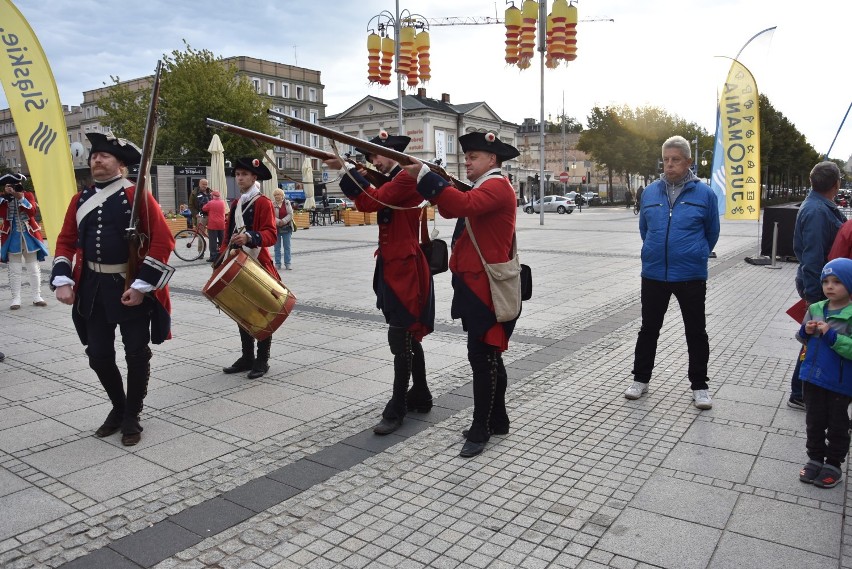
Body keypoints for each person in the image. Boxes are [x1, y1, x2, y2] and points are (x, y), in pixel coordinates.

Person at [50, 133, 174, 446]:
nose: (97, 160)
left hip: (129, 285)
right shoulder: (80, 200)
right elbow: (65, 241)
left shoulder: (137, 195)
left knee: (136, 353)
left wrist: (143, 285)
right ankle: (119, 407)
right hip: (92, 287)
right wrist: (63, 279)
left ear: (120, 164)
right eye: (94, 155)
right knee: (99, 355)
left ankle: (132, 414)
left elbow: (162, 240)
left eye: (104, 156)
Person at [402, 131, 519, 458]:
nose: (466, 160)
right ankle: (499, 417)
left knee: (483, 359)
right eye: (466, 156)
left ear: (492, 160)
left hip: (487, 289)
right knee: (488, 355)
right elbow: (459, 201)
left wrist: (426, 176)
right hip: (475, 286)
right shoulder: (485, 185)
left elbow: (457, 207)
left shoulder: (496, 186)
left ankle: (481, 426)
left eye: (473, 157)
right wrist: (440, 180)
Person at [324, 131, 435, 435]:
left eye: (375, 156)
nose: (373, 161)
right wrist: (352, 170)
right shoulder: (396, 179)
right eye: (371, 158)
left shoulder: (404, 179)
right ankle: (421, 393)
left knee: (401, 339)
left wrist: (345, 172)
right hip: (394, 266)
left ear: (392, 155)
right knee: (408, 337)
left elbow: (370, 201)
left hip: (405, 270)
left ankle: (397, 406)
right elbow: (376, 194)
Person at [624, 135, 720, 409]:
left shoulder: (705, 194)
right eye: (666, 160)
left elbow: (712, 232)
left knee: (696, 331)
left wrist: (696, 253)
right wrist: (655, 250)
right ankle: (640, 379)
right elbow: (645, 229)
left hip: (690, 274)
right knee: (648, 329)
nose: (669, 165)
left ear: (688, 161)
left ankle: (700, 385)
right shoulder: (651, 192)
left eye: (675, 160)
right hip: (654, 273)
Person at [788, 161, 846, 410]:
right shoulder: (816, 211)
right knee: (815, 335)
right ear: (837, 184)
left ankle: (804, 390)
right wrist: (815, 297)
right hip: (820, 285)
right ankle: (800, 392)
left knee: (819, 335)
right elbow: (812, 258)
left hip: (823, 284)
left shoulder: (820, 207)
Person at [220, 157, 279, 379]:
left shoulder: (262, 202)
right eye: (237, 175)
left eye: (244, 174)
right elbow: (227, 235)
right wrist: (221, 258)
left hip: (258, 263)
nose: (240, 178)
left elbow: (271, 235)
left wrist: (250, 236)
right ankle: (247, 357)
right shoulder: (236, 204)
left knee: (263, 311)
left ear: (254, 177)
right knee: (241, 311)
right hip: (237, 263)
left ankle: (262, 360)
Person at [796, 258, 852, 488]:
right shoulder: (815, 308)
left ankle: (834, 463)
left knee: (837, 423)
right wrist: (805, 330)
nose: (830, 286)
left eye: (837, 282)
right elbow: (801, 338)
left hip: (839, 382)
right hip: (812, 378)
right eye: (826, 281)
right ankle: (815, 458)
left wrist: (832, 336)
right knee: (814, 421)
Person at [0, 173, 49, 309]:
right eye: (10, 185)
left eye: (16, 185)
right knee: (14, 269)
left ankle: (37, 296)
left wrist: (19, 197)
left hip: (29, 236)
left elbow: (32, 211)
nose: (13, 188)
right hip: (11, 237)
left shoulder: (27, 195)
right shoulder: (3, 199)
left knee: (33, 267)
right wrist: (6, 197)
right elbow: (2, 214)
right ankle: (16, 298)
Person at [272, 188, 294, 270]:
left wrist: (283, 221)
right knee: (277, 247)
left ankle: (288, 263)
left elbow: (290, 214)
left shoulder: (287, 203)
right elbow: (271, 215)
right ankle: (277, 263)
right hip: (276, 228)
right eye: (275, 195)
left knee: (287, 246)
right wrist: (278, 221)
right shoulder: (272, 204)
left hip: (286, 228)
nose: (277, 196)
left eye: (279, 195)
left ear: (282, 196)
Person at [202, 189, 226, 262]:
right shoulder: (223, 202)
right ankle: (222, 255)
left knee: (213, 241)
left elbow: (204, 208)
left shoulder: (210, 202)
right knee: (222, 240)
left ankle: (213, 256)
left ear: (212, 196)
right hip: (221, 224)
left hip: (213, 224)